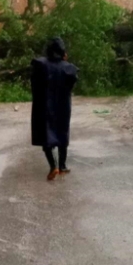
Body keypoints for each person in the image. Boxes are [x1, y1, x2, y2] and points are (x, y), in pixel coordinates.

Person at [30, 37, 78, 181]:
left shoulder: (41, 65)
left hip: (45, 106)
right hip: (63, 107)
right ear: (62, 51)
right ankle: (62, 166)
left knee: (47, 136)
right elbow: (71, 85)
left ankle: (53, 166)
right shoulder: (69, 68)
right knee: (62, 134)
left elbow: (34, 84)